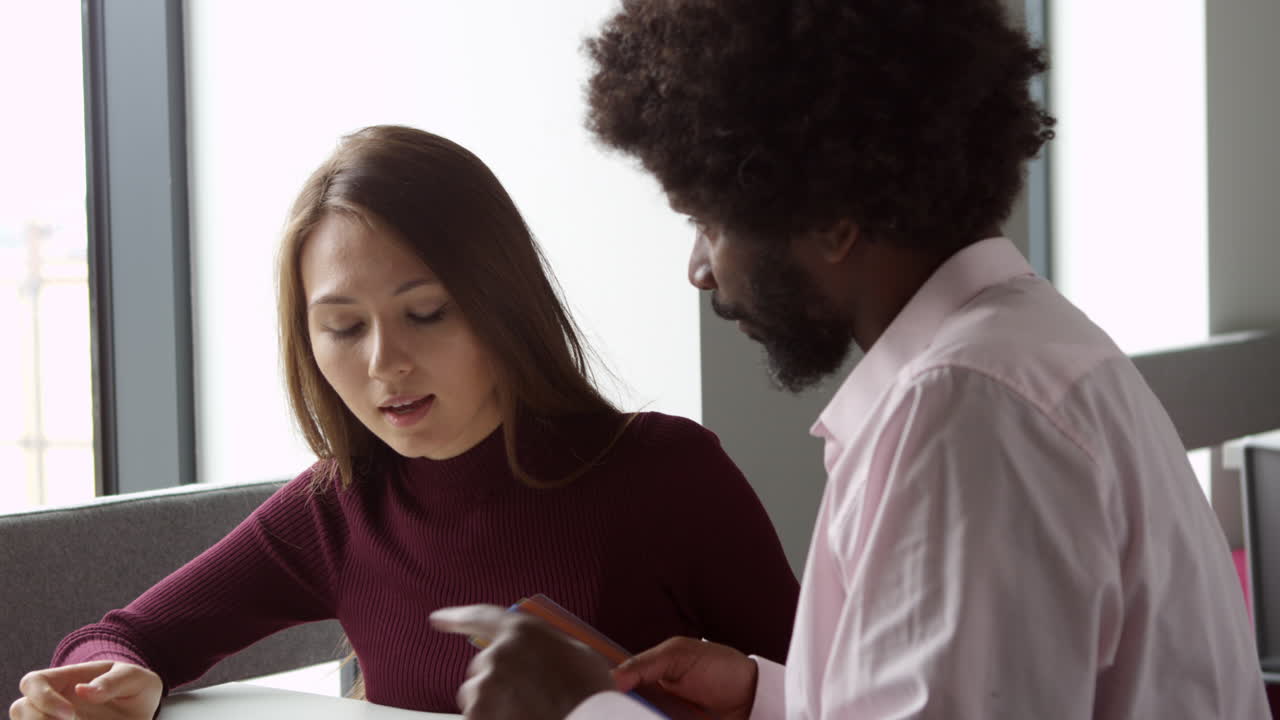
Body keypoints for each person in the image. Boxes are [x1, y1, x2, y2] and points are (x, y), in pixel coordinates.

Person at [430, 1, 1271, 718]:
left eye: (709, 220)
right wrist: (773, 696)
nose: (697, 268)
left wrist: (588, 706)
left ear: (831, 216)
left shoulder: (967, 412)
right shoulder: (1020, 351)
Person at [8, 125, 800, 719]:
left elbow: (843, 696)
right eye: (345, 328)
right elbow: (119, 637)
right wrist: (123, 679)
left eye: (426, 313)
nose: (386, 363)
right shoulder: (338, 506)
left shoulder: (667, 474)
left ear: (501, 305)